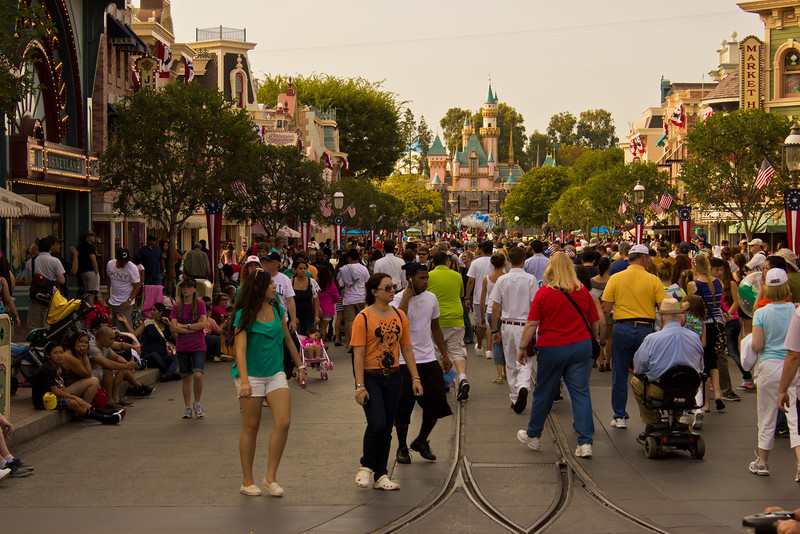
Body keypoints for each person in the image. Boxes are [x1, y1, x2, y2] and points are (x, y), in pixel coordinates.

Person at [515, 251, 599, 458]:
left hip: (552, 347)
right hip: (580, 347)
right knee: (580, 393)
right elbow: (594, 322)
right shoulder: (583, 292)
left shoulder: (544, 292)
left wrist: (522, 347)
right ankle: (585, 442)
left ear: (550, 269)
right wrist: (592, 341)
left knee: (544, 391)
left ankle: (534, 435)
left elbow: (532, 323)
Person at [231, 268, 307, 497]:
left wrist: (300, 365)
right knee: (251, 427)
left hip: (275, 373)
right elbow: (240, 350)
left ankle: (270, 477)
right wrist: (244, 382)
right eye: (271, 284)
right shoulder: (244, 314)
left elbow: (287, 338)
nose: (275, 287)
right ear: (258, 288)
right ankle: (247, 481)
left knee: (283, 422)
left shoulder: (277, 308)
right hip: (251, 376)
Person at [351, 273, 423, 491]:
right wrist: (360, 387)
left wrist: (415, 378)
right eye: (387, 287)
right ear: (374, 292)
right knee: (377, 423)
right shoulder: (362, 318)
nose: (392, 290)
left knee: (387, 428)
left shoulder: (400, 316)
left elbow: (407, 349)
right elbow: (359, 355)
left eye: (393, 287)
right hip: (371, 377)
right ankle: (366, 466)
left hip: (394, 376)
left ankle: (381, 474)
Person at [392, 262, 453, 464]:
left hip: (428, 360)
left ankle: (421, 440)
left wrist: (444, 355)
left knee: (436, 405)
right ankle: (402, 447)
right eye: (421, 278)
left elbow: (435, 327)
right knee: (403, 409)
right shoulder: (397, 300)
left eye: (427, 278)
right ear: (410, 279)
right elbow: (396, 327)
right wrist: (407, 297)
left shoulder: (431, 298)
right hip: (402, 362)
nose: (426, 281)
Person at [602, 244, 666, 429]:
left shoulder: (616, 278)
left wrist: (602, 333)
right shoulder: (653, 280)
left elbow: (606, 308)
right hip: (646, 329)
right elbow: (663, 308)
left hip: (623, 327)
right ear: (644, 259)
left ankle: (620, 416)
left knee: (619, 373)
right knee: (649, 374)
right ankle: (651, 414)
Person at [748, 268, 800, 479]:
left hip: (769, 367)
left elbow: (757, 345)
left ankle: (763, 462)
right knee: (796, 418)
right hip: (792, 368)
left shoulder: (761, 313)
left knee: (766, 415)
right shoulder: (795, 310)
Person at [630, 297, 704, 433]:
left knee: (636, 382)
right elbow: (700, 366)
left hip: (661, 390)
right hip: (687, 389)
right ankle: (676, 417)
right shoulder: (694, 337)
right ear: (681, 318)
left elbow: (639, 367)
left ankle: (652, 421)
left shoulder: (653, 339)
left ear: (662, 318)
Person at [489, 247, 539, 412]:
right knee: (526, 359)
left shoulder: (502, 280)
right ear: (524, 260)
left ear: (508, 261)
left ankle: (515, 395)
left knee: (510, 361)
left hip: (508, 324)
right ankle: (524, 384)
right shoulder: (531, 280)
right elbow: (535, 305)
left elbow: (495, 306)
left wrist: (494, 329)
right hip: (527, 325)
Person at [687, 254, 737, 406]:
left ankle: (705, 402)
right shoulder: (717, 282)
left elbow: (692, 306)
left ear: (695, 266)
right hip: (717, 322)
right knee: (714, 360)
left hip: (703, 324)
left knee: (704, 362)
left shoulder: (693, 284)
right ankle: (717, 394)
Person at [33, 341, 123, 424]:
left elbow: (61, 386)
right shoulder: (47, 369)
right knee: (73, 402)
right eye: (56, 353)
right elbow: (55, 391)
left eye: (61, 352)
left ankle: (105, 413)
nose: (59, 355)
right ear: (48, 355)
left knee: (79, 400)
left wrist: (73, 396)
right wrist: (72, 397)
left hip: (52, 396)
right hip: (44, 400)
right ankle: (102, 418)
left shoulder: (55, 366)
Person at [427, 251, 470, 401]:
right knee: (457, 350)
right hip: (455, 318)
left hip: (435, 320)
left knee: (437, 351)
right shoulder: (457, 276)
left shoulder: (429, 275)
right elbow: (460, 294)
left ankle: (442, 381)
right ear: (447, 262)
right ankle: (463, 378)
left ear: (433, 263)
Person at [170, 278, 208, 419]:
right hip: (183, 346)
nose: (185, 289)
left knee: (198, 375)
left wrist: (184, 327)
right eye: (183, 287)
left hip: (198, 345)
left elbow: (203, 324)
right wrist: (192, 328)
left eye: (188, 287)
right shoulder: (177, 306)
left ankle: (197, 403)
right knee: (186, 377)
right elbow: (173, 327)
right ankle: (187, 407)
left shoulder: (200, 304)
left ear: (194, 289)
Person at [21, 236, 66, 330]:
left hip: (35, 297)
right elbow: (62, 280)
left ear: (38, 248)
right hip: (51, 298)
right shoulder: (55, 261)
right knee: (48, 326)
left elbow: (26, 281)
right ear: (50, 248)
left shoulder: (31, 262)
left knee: (34, 327)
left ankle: (36, 344)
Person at [133, 302, 178, 381]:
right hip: (149, 355)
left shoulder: (166, 324)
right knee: (155, 355)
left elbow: (176, 337)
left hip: (162, 354)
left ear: (161, 312)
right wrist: (125, 322)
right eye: (151, 310)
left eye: (154, 310)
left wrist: (170, 324)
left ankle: (168, 374)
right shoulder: (147, 323)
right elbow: (135, 334)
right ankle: (169, 373)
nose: (152, 312)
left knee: (177, 357)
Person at [466, 241, 494, 356]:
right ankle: (489, 349)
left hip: (478, 297)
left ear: (481, 249)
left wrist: (467, 296)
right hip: (493, 296)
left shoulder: (476, 262)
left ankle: (480, 346)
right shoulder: (495, 261)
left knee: (479, 323)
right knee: (490, 324)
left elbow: (471, 280)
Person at [337, 248, 370, 345]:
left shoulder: (345, 269)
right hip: (361, 298)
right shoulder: (363, 268)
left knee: (350, 320)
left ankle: (352, 341)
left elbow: (341, 283)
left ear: (349, 257)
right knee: (360, 320)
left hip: (349, 299)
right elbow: (367, 282)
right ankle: (361, 340)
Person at [482, 254, 507, 380]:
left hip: (491, 309)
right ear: (504, 263)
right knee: (506, 342)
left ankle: (499, 374)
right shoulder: (506, 277)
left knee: (496, 342)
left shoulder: (487, 278)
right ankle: (506, 371)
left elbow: (483, 298)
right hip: (505, 310)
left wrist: (482, 314)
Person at [105, 248, 141, 329]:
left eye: (126, 261)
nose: (124, 264)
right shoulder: (110, 264)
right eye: (121, 261)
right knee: (111, 326)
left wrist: (129, 300)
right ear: (116, 258)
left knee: (123, 327)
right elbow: (108, 278)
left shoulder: (132, 268)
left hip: (125, 302)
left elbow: (137, 286)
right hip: (112, 300)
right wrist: (108, 294)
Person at [592, 256, 613, 372]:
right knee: (608, 338)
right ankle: (608, 362)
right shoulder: (612, 280)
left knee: (598, 337)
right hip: (610, 312)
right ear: (609, 267)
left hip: (596, 313)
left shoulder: (592, 281)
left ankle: (600, 362)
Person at [291, 259, 320, 336]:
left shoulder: (312, 282)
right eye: (300, 268)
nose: (303, 270)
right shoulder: (290, 282)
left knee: (308, 336)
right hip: (295, 315)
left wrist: (316, 315)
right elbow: (288, 300)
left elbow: (316, 300)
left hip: (308, 314)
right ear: (295, 270)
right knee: (297, 337)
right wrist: (292, 316)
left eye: (304, 268)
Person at [74, 231, 100, 304]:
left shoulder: (80, 247)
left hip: (83, 272)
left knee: (87, 293)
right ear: (87, 238)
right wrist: (96, 272)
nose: (94, 237)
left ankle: (86, 308)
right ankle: (91, 311)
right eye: (91, 236)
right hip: (91, 272)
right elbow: (93, 260)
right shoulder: (90, 247)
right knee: (92, 294)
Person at [316, 264, 339, 344]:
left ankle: (316, 344)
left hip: (316, 309)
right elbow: (337, 297)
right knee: (323, 329)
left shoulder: (315, 284)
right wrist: (331, 302)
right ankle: (322, 346)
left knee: (316, 329)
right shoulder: (331, 285)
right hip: (328, 310)